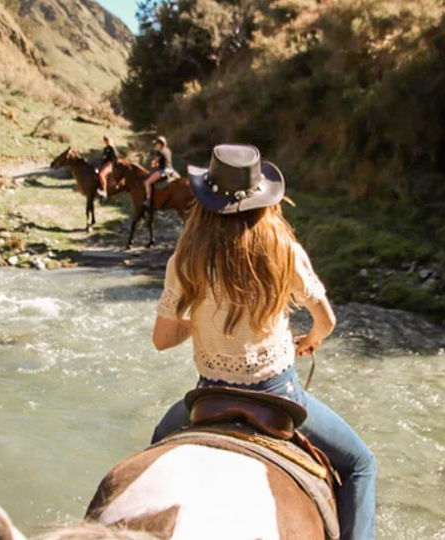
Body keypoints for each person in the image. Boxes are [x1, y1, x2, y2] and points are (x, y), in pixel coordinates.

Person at [149, 144, 377, 540]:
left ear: (204, 201)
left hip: (210, 395)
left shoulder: (184, 259)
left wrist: (198, 325)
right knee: (360, 465)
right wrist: (309, 339)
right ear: (263, 200)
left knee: (155, 449)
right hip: (278, 392)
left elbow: (162, 339)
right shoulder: (284, 251)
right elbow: (327, 320)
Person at [142, 135, 173, 207]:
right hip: (171, 169)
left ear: (160, 144)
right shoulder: (168, 150)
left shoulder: (160, 152)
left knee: (147, 182)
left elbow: (155, 163)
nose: (156, 145)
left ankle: (148, 200)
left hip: (163, 171)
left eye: (157, 143)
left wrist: (152, 165)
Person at [96, 134, 118, 200]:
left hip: (110, 164)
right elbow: (103, 158)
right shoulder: (106, 148)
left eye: (107, 139)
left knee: (101, 175)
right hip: (104, 164)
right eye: (105, 140)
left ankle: (104, 191)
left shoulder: (112, 148)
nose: (106, 141)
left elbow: (116, 157)